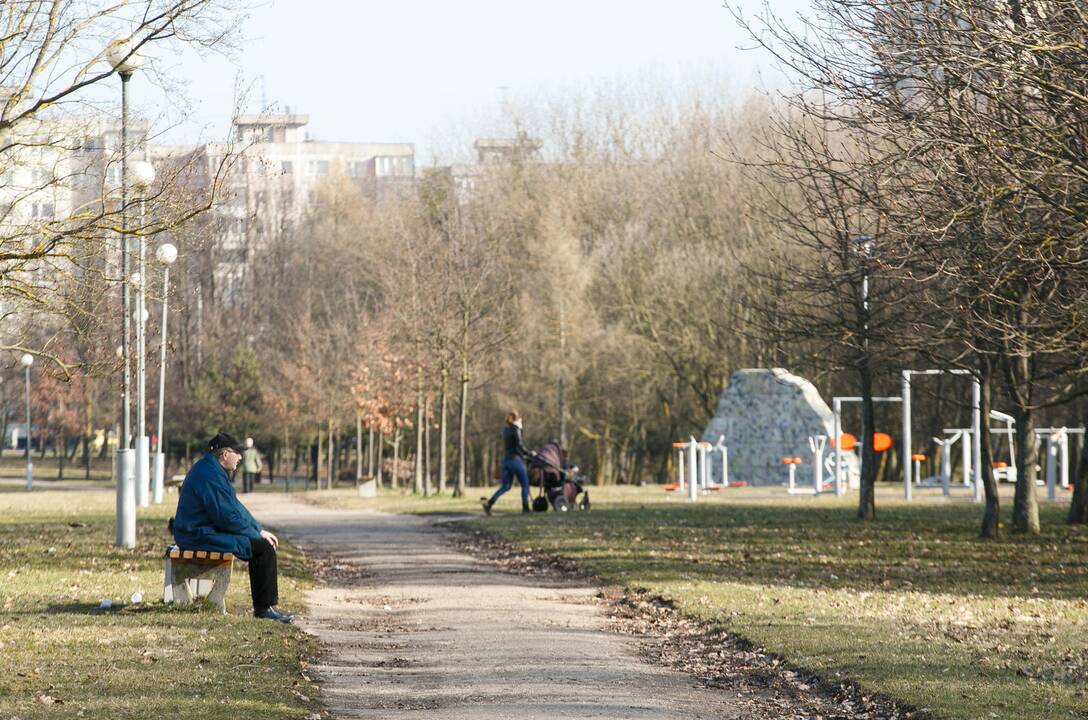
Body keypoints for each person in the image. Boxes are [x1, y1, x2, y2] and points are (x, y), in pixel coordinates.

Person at [173, 431, 293, 624]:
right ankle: (264, 609)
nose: (240, 457)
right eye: (237, 452)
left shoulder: (212, 470)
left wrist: (258, 530)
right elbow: (226, 517)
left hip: (201, 530)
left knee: (260, 544)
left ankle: (265, 607)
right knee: (262, 549)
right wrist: (255, 535)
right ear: (225, 454)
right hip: (196, 535)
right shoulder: (209, 475)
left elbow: (235, 507)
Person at [482, 412, 534, 515]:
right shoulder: (516, 429)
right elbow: (519, 445)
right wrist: (530, 453)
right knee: (525, 484)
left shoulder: (505, 430)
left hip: (506, 461)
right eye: (521, 420)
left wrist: (522, 454)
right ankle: (526, 508)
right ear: (517, 419)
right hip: (515, 461)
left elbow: (512, 447)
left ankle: (489, 503)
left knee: (505, 486)